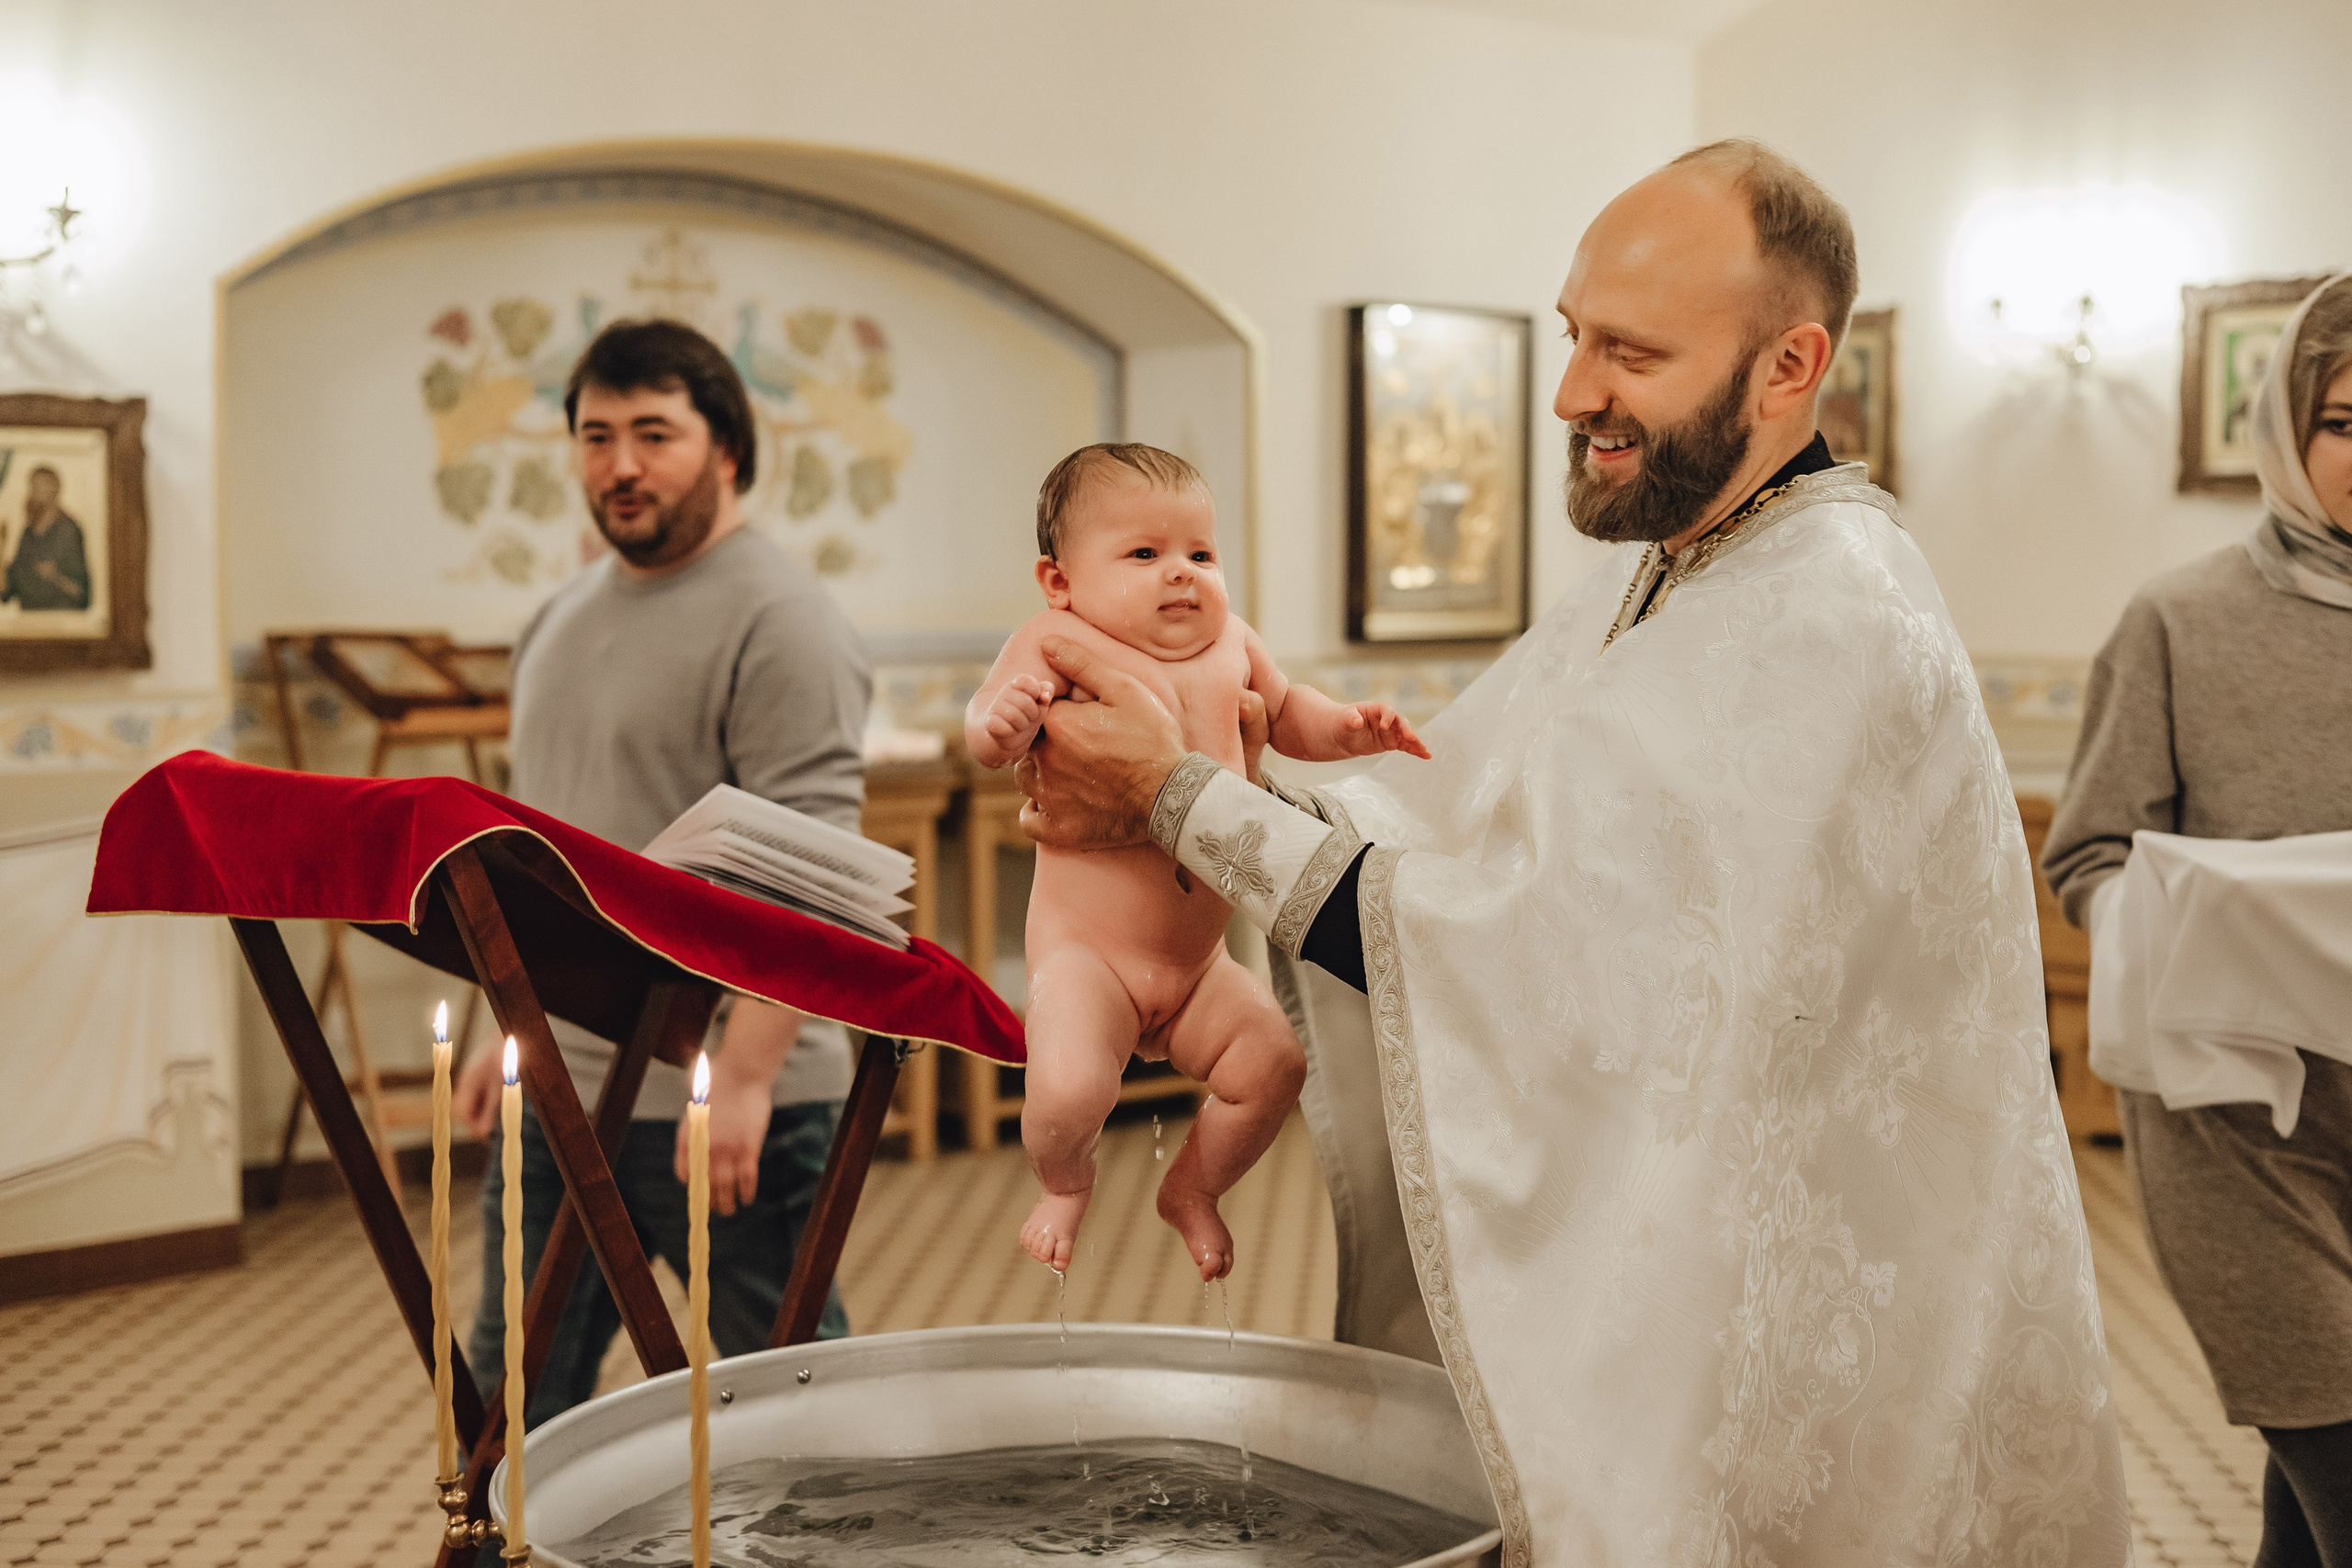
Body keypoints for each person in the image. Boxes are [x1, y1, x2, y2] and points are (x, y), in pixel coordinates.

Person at [1015, 140, 2130, 1564]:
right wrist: (1167, 783)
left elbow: (1523, 960)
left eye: (1631, 351)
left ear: (1789, 367)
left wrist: (1175, 794)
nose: (1569, 391)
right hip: (1692, 1247)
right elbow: (1452, 841)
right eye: (1571, 334)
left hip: (1802, 1311)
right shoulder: (1679, 559)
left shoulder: (1826, 617)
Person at [456, 318, 869, 1427]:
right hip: (558, 1089)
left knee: (795, 1411)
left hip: (727, 1100)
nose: (621, 466)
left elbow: (817, 873)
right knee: (513, 1411)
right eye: (596, 437)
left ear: (726, 447)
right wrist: (495, 1007)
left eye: (654, 434)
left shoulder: (784, 619)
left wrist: (743, 1072)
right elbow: (530, 842)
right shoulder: (557, 615)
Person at [2044, 272, 2352, 1568]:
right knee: (2336, 1432)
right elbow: (2087, 849)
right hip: (2241, 1119)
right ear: (2288, 429)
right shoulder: (2181, 618)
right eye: (2348, 419)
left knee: (2311, 1474)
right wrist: (2191, 926)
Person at [967, 442, 1427, 1280]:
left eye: (1200, 553)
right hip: (1088, 956)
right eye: (1144, 554)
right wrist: (1002, 723)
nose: (1180, 574)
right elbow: (983, 730)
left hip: (1196, 964)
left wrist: (1351, 730)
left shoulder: (1233, 644)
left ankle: (1193, 1189)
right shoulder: (1055, 640)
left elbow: (1291, 715)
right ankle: (1065, 1185)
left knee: (1274, 1070)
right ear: (1059, 580)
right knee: (1069, 1090)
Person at [4, 466, 93, 611]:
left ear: (55, 489)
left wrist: (55, 577)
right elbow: (12, 585)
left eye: (41, 485)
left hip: (62, 619)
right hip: (30, 620)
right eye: (33, 486)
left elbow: (82, 593)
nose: (36, 492)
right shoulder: (28, 533)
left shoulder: (69, 530)